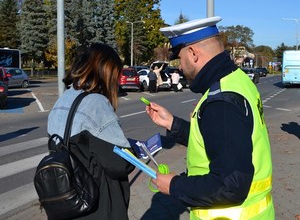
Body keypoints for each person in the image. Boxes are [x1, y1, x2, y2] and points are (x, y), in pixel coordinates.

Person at [145, 17, 274, 220]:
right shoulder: (237, 80)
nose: (180, 67)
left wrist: (174, 185)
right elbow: (219, 142)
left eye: (180, 59)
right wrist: (172, 124)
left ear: (193, 53)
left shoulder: (220, 102)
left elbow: (230, 185)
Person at [47, 43, 135, 220]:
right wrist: (134, 150)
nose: (117, 82)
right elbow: (120, 164)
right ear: (106, 72)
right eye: (116, 75)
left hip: (69, 200)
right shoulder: (96, 103)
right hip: (98, 205)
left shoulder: (63, 100)